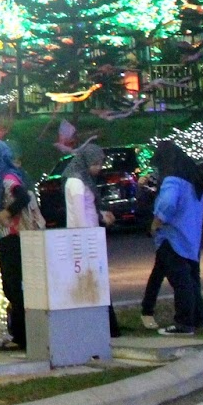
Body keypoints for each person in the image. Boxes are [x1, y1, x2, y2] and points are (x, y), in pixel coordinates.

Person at [149, 140, 203, 335]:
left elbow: (168, 203)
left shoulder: (172, 180)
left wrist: (157, 221)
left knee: (181, 282)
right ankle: (202, 319)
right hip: (191, 238)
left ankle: (184, 324)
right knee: (191, 280)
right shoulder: (193, 178)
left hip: (173, 237)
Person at [60, 143, 121, 337]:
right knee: (90, 284)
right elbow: (79, 214)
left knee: (97, 284)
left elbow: (88, 209)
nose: (99, 168)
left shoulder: (84, 180)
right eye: (95, 163)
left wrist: (102, 216)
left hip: (90, 237)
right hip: (83, 241)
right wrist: (88, 240)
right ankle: (100, 327)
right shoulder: (76, 182)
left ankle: (106, 325)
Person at [0, 139, 32, 353]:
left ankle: (21, 336)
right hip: (15, 238)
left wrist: (7, 212)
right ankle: (22, 333)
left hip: (12, 238)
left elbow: (23, 198)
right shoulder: (9, 175)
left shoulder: (6, 178)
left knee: (13, 287)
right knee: (16, 287)